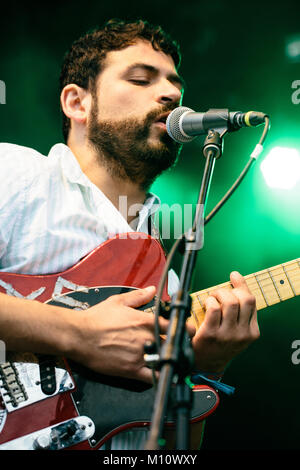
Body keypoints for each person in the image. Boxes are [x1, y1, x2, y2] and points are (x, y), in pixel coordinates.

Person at [0, 19, 259, 450]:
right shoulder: (15, 175)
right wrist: (76, 333)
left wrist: (208, 368)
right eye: (141, 79)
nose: (172, 94)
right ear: (77, 102)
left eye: (177, 85)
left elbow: (160, 452)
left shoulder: (166, 281)